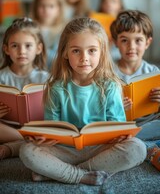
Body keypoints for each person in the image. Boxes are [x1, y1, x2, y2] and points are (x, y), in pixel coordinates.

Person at [20, 17, 146, 186]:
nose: (84, 58)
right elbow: (51, 127)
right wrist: (45, 138)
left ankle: (64, 172)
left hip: (100, 148)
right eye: (76, 51)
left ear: (102, 52)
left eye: (92, 50)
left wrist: (119, 136)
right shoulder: (56, 88)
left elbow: (118, 125)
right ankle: (78, 174)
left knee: (137, 148)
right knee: (27, 151)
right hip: (65, 149)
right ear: (65, 53)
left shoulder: (110, 86)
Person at [110, 10, 160, 172]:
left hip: (149, 124)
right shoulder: (108, 73)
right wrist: (116, 106)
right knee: (105, 129)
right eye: (124, 40)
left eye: (138, 40)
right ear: (116, 42)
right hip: (119, 124)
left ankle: (138, 145)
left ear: (147, 42)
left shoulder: (153, 72)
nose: (131, 47)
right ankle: (146, 147)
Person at [0, 17, 49, 160]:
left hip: (37, 129)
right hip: (7, 129)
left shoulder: (45, 78)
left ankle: (14, 147)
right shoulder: (1, 76)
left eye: (28, 46)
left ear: (38, 48)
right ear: (6, 49)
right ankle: (26, 142)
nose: (22, 51)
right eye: (15, 46)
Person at [31, 0, 67, 69]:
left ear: (59, 8)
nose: (46, 10)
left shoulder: (64, 30)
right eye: (42, 5)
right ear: (35, 7)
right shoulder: (29, 27)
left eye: (51, 6)